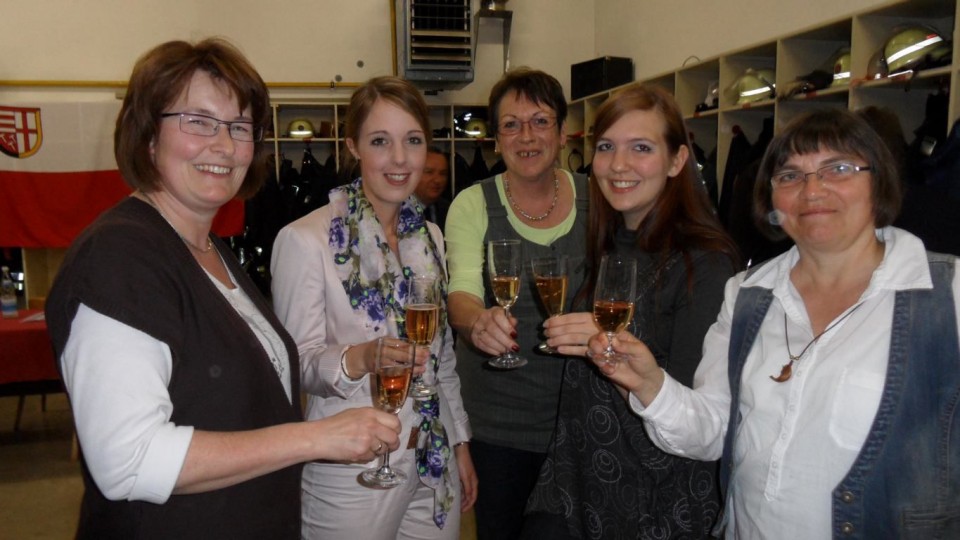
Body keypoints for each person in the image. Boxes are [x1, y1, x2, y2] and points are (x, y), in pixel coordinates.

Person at [43, 38, 402, 540]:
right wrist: (313, 437)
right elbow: (129, 460)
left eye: (239, 127)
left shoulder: (211, 249)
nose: (224, 144)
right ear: (148, 134)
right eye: (197, 121)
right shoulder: (120, 257)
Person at [587, 108, 960, 538]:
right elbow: (713, 430)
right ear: (771, 203)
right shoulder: (748, 294)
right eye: (790, 176)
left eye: (837, 169)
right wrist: (649, 383)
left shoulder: (944, 296)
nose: (812, 190)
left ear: (880, 183)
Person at [523, 83, 739, 539]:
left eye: (641, 148)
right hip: (579, 481)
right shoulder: (610, 242)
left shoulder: (705, 262)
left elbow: (698, 416)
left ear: (677, 160)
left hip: (654, 500)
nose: (618, 165)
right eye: (606, 147)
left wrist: (612, 355)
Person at [270, 75, 476, 539]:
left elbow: (441, 358)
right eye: (381, 141)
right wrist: (359, 357)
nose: (400, 159)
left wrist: (460, 442)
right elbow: (295, 364)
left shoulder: (430, 237)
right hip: (352, 465)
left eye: (413, 140)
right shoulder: (305, 240)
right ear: (353, 147)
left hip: (430, 453)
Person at [445, 67, 589, 540]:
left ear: (563, 129)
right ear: (495, 137)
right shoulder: (471, 204)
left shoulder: (597, 199)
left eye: (540, 121)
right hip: (499, 427)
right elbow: (462, 291)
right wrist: (476, 321)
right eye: (511, 124)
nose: (526, 136)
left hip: (580, 420)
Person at [416, 146, 452, 233]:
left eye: (443, 174)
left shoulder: (450, 211)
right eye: (429, 172)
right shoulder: (394, 212)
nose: (437, 180)